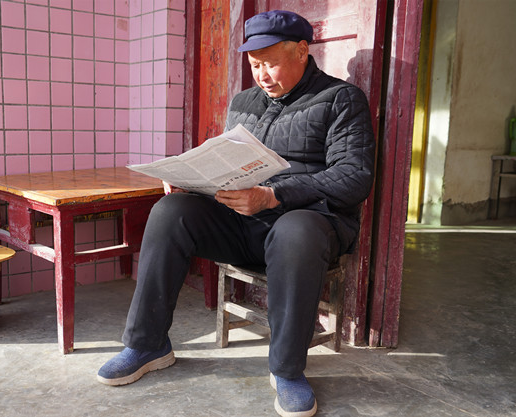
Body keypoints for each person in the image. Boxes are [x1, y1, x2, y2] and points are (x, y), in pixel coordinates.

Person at [97, 10, 375, 417]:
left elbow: (354, 177)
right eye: (255, 65)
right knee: (171, 211)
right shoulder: (244, 102)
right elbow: (229, 163)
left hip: (306, 225)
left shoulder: (341, 99)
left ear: (302, 51)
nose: (262, 75)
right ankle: (147, 344)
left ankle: (287, 370)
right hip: (244, 223)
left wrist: (274, 195)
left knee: (296, 231)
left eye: (270, 63)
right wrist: (195, 181)